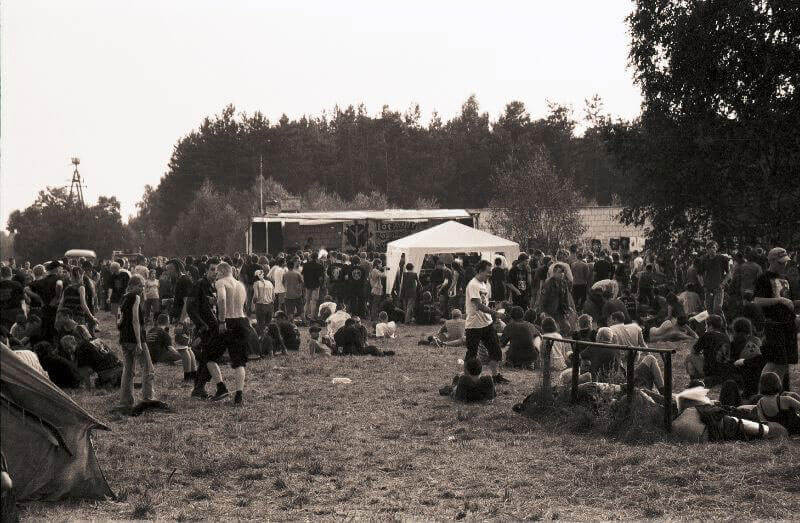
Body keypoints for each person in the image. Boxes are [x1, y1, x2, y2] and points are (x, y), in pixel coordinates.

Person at [204, 262, 250, 404]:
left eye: (217, 272)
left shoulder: (220, 282)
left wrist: (222, 321)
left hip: (228, 321)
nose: (216, 275)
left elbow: (223, 299)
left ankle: (221, 387)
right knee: (239, 361)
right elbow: (243, 304)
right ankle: (239, 395)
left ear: (222, 272)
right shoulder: (241, 285)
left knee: (209, 356)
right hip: (242, 321)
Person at [753, 246, 797, 391]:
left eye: (785, 261)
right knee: (773, 362)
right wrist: (779, 300)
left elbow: (789, 301)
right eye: (780, 262)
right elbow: (758, 300)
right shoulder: (763, 278)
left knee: (784, 363)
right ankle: (762, 392)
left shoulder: (785, 278)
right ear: (771, 261)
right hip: (774, 325)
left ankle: (777, 392)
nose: (784, 264)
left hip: (788, 325)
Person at [464, 260, 509, 384]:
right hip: (474, 325)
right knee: (471, 354)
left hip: (486, 323)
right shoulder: (473, 284)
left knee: (496, 351)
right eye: (488, 272)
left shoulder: (484, 284)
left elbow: (485, 303)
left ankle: (495, 376)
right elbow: (479, 305)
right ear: (480, 271)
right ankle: (466, 379)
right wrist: (495, 313)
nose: (490, 274)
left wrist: (494, 313)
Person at [116, 274, 156, 410]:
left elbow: (119, 319)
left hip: (124, 338)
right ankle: (148, 398)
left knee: (128, 370)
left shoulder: (123, 297)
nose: (142, 289)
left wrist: (121, 333)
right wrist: (139, 342)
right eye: (139, 286)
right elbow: (135, 320)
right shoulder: (135, 297)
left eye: (143, 286)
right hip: (134, 338)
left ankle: (125, 401)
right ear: (131, 286)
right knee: (148, 368)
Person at [56, 266, 98, 331]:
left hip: (66, 317)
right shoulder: (81, 287)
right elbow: (83, 304)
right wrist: (92, 317)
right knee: (80, 335)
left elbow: (60, 304)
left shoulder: (67, 288)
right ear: (81, 275)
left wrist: (57, 318)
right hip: (78, 317)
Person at [699, 241, 729, 314]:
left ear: (716, 248)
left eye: (713, 247)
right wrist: (703, 285)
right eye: (709, 248)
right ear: (707, 250)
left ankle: (722, 321)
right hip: (708, 288)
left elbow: (729, 273)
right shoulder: (704, 259)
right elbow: (699, 274)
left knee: (717, 309)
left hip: (718, 288)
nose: (712, 250)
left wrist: (722, 284)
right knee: (709, 309)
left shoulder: (722, 258)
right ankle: (712, 321)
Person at [167, 259, 194, 324]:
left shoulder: (184, 280)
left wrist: (181, 321)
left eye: (169, 269)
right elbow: (180, 298)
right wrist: (170, 300)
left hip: (183, 319)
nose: (168, 272)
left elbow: (187, 303)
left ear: (175, 269)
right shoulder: (177, 280)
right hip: (177, 317)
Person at [0, 266, 25, 333]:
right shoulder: (17, 284)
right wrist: (24, 313)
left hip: (2, 314)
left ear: (1, 275)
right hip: (16, 314)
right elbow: (22, 301)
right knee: (16, 334)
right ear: (11, 274)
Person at [302, 252, 324, 322]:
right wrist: (321, 284)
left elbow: (303, 275)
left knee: (307, 301)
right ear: (317, 258)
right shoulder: (320, 266)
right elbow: (320, 278)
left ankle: (304, 316)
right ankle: (312, 317)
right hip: (316, 286)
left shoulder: (305, 265)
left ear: (311, 257)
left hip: (308, 285)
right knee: (314, 302)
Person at [251, 269, 275, 335]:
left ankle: (261, 338)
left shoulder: (256, 283)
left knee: (260, 325)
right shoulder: (270, 283)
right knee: (268, 325)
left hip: (260, 306)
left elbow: (256, 296)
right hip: (270, 306)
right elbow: (274, 296)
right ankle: (267, 338)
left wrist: (253, 303)